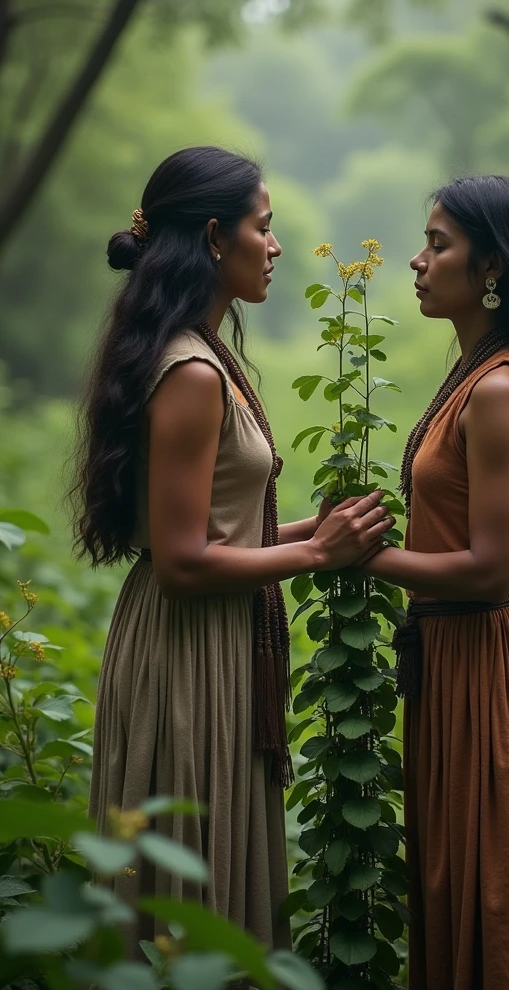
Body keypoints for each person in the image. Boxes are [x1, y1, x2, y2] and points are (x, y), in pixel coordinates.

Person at [71, 146, 394, 956]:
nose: (276, 245)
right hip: (190, 651)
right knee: (192, 900)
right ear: (216, 238)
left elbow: (216, 535)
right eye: (265, 227)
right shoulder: (191, 372)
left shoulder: (196, 351)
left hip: (203, 638)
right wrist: (318, 557)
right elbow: (184, 565)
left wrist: (321, 535)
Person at [362, 175, 509, 989]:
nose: (419, 263)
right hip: (454, 660)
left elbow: (491, 568)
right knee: (456, 884)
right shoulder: (477, 370)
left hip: (489, 665)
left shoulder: (499, 388)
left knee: (492, 895)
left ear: (491, 265)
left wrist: (357, 556)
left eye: (439, 245)